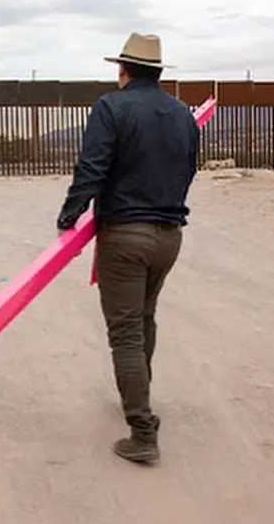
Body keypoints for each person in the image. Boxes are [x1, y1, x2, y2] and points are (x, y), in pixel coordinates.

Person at [56, 32, 200, 464]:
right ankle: (138, 398)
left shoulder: (111, 107)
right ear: (157, 71)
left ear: (123, 70)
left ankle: (142, 431)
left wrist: (69, 214)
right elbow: (189, 168)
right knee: (144, 318)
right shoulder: (182, 114)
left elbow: (93, 166)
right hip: (169, 234)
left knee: (125, 332)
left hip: (125, 234)